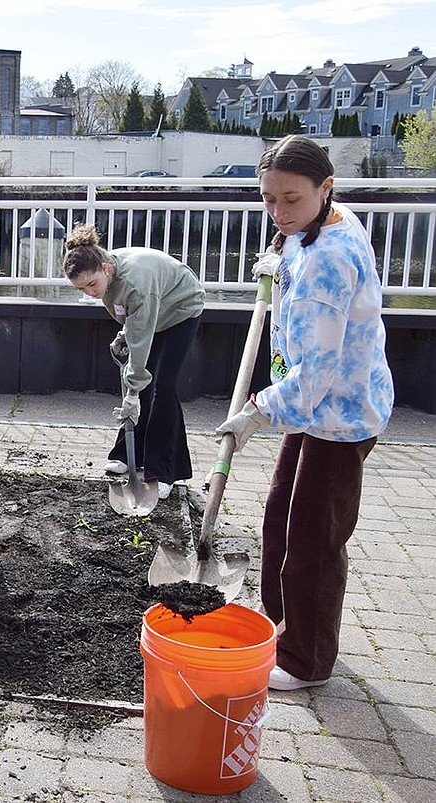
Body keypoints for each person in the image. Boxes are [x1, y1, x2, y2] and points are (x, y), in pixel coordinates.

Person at [217, 135, 394, 691]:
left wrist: (257, 412)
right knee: (279, 516)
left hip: (337, 414)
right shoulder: (326, 221)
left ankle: (305, 659)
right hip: (312, 409)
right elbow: (301, 245)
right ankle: (279, 625)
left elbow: (314, 375)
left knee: (315, 539)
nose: (278, 211)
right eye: (268, 199)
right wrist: (280, 260)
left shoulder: (329, 263)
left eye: (290, 200)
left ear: (326, 187)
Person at [63, 224, 204, 500]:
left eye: (92, 284)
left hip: (181, 309)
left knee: (163, 387)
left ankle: (163, 472)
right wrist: (125, 333)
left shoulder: (136, 284)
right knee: (144, 388)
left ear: (105, 268)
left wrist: (132, 392)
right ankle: (128, 455)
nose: (90, 293)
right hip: (153, 312)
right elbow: (134, 318)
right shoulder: (103, 276)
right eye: (81, 288)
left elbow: (140, 332)